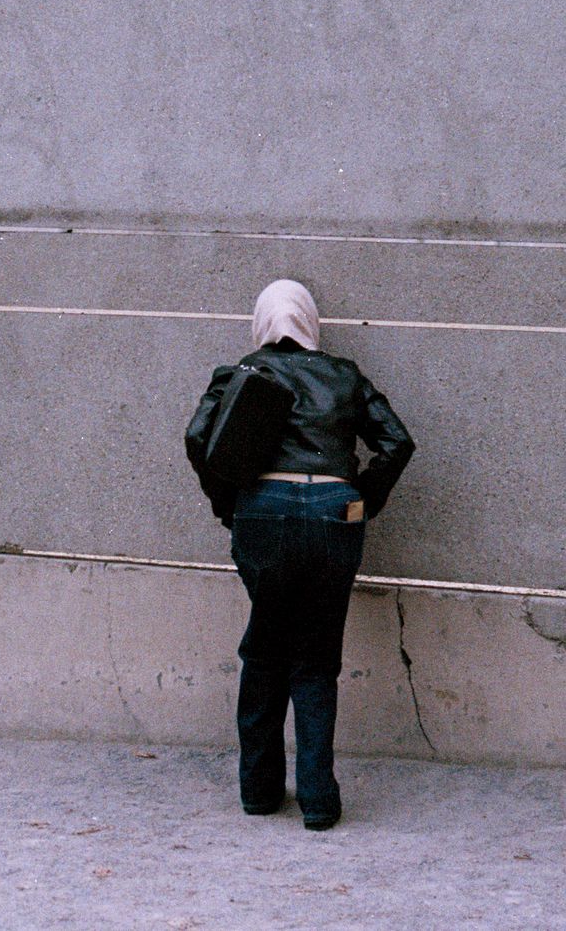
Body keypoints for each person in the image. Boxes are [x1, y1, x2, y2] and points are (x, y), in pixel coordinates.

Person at [181, 278, 415, 831]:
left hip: (263, 512)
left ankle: (260, 791)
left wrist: (231, 507)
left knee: (265, 650)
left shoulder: (241, 372)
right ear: (311, 321)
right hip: (335, 514)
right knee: (316, 658)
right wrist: (360, 498)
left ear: (262, 321)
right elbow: (397, 443)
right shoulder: (345, 375)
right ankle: (318, 801)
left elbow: (198, 440)